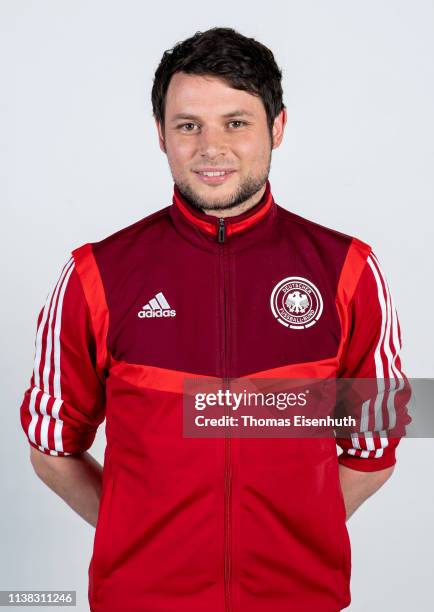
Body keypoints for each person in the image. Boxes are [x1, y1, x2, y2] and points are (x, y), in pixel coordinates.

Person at [20, 27, 410, 612]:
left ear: (276, 127)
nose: (210, 147)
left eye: (236, 122)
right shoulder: (95, 275)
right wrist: (137, 533)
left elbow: (375, 444)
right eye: (187, 125)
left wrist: (299, 531)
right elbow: (52, 445)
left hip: (298, 600)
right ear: (160, 136)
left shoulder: (347, 270)